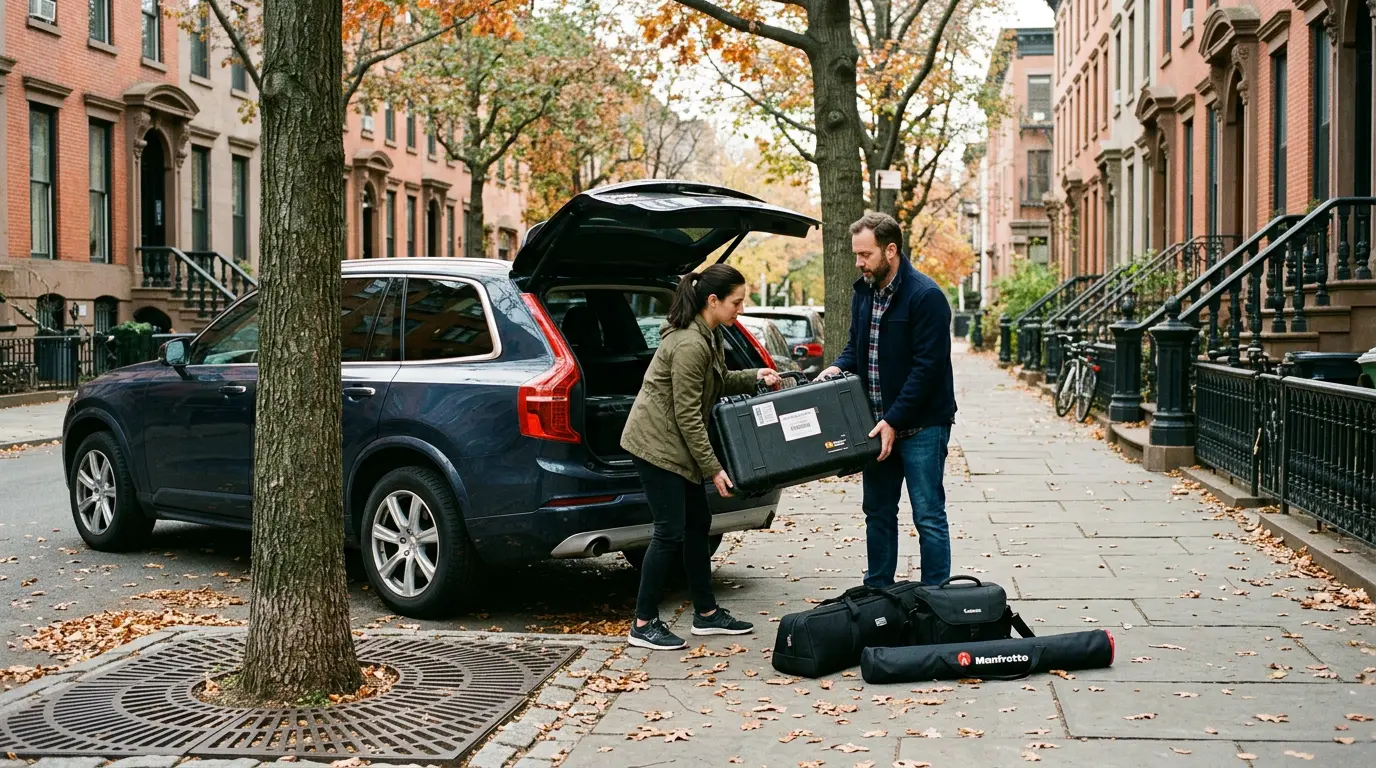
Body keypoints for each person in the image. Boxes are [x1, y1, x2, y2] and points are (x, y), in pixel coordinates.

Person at [620, 264, 782, 650]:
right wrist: (714, 469)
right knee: (669, 531)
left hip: (677, 445)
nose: (741, 309)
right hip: (656, 446)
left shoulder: (709, 334)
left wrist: (755, 376)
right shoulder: (690, 344)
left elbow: (718, 381)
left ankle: (706, 614)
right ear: (713, 300)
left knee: (698, 524)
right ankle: (643, 623)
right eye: (736, 302)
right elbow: (688, 416)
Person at [817, 212, 958, 588]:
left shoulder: (926, 297)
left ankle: (936, 599)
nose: (859, 262)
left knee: (928, 515)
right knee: (877, 512)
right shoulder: (864, 292)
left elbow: (927, 369)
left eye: (865, 254)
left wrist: (894, 420)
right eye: (856, 255)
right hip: (876, 425)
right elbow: (856, 347)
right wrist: (836, 367)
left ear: (890, 250)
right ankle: (878, 591)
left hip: (922, 426)